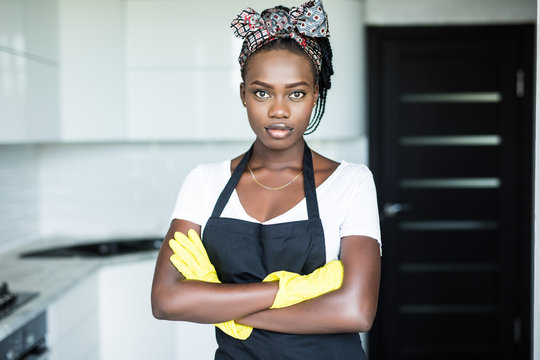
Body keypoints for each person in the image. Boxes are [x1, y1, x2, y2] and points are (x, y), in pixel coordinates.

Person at [151, 1, 381, 358]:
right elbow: (166, 301)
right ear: (243, 94)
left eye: (296, 93)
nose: (278, 109)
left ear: (315, 95)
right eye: (262, 92)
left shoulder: (351, 181)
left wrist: (221, 304)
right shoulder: (205, 182)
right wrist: (288, 290)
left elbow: (355, 311)